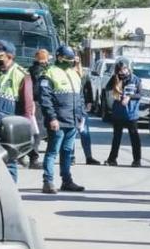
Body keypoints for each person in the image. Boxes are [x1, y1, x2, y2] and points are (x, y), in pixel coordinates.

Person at [0, 40, 34, 183]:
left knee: (9, 163)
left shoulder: (21, 75)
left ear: (10, 56)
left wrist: (25, 131)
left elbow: (27, 107)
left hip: (8, 127)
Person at [39, 45, 86, 194]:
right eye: (68, 59)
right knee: (52, 152)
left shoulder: (74, 74)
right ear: (59, 57)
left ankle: (67, 181)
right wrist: (52, 118)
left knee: (67, 152)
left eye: (73, 59)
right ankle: (48, 181)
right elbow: (45, 99)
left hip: (72, 121)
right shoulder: (49, 74)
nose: (71, 62)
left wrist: (81, 116)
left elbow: (80, 98)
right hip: (57, 121)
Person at [104, 57, 143, 167]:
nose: (123, 72)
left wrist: (129, 97)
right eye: (120, 70)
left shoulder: (136, 80)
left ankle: (137, 160)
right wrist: (115, 91)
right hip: (118, 113)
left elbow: (140, 94)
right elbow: (107, 88)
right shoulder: (115, 78)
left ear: (128, 69)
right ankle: (112, 159)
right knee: (116, 137)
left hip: (131, 114)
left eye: (125, 69)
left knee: (134, 137)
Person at [26, 48, 51, 169]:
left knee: (38, 131)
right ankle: (33, 159)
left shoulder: (32, 69)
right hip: (38, 103)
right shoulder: (40, 71)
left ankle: (30, 156)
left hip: (35, 102)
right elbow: (37, 89)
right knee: (37, 133)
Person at [71, 60, 100, 165]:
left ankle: (89, 157)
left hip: (82, 107)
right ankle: (71, 157)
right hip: (71, 108)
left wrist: (89, 102)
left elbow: (88, 88)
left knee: (85, 133)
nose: (76, 64)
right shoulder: (67, 74)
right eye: (74, 62)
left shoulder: (83, 74)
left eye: (78, 62)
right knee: (72, 134)